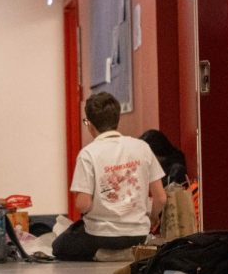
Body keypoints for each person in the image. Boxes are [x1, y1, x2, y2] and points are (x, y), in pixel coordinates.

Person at [53, 92, 166, 261]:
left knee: (59, 246)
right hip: (138, 234)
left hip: (100, 235)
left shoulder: (88, 154)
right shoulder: (142, 147)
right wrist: (152, 218)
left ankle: (104, 254)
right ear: (117, 119)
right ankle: (130, 251)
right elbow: (161, 198)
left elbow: (83, 204)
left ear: (89, 124)